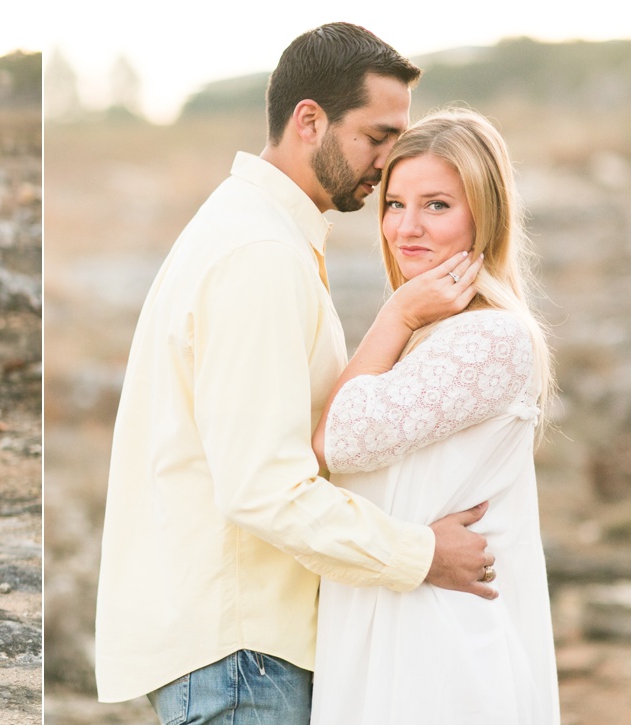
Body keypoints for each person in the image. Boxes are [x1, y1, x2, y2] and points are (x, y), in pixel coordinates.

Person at [94, 23, 494, 724]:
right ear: (310, 120)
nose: (386, 164)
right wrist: (422, 553)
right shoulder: (259, 254)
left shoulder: (257, 233)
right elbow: (263, 486)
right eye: (376, 136)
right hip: (242, 654)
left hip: (238, 649)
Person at [309, 108, 559, 724]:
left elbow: (334, 441)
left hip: (438, 652)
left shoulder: (490, 338)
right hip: (397, 624)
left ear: (485, 213)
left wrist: (392, 317)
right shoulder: (434, 333)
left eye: (438, 205)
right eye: (394, 203)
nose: (407, 227)